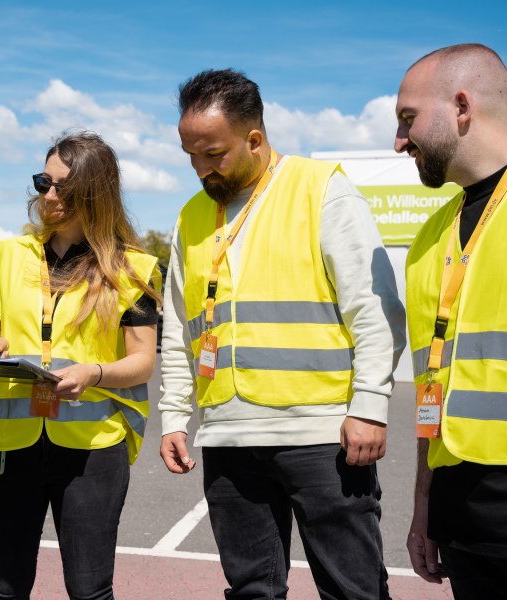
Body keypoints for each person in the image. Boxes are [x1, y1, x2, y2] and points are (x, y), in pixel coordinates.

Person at [159, 69, 405, 599]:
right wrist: (176, 415)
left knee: (353, 589)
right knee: (252, 590)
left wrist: (369, 406)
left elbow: (375, 308)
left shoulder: (321, 189)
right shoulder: (190, 217)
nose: (201, 169)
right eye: (191, 156)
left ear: (255, 139)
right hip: (227, 437)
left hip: (321, 437)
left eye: (214, 154)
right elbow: (180, 326)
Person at [397, 43, 507, 599]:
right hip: (464, 526)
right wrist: (424, 505)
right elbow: (432, 387)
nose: (399, 141)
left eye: (407, 119)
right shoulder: (430, 238)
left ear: (462, 107)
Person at [0, 131, 162, 600]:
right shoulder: (6, 255)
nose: (50, 197)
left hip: (91, 449)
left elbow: (141, 362)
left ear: (98, 194)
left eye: (65, 188)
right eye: (43, 182)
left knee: (89, 591)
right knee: (4, 589)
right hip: (6, 442)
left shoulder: (133, 267)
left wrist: (92, 373)